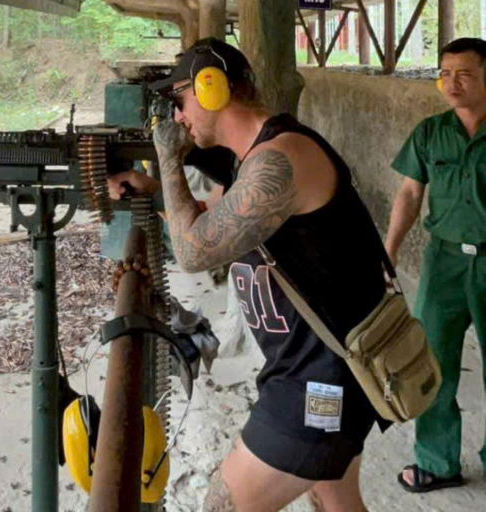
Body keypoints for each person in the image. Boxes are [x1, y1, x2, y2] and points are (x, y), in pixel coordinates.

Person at [109, 37, 388, 511]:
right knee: (333, 498)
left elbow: (195, 250)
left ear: (211, 87)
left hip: (320, 377)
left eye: (180, 101)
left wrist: (169, 158)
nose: (178, 117)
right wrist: (157, 189)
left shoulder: (280, 160)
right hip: (318, 368)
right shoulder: (254, 160)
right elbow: (213, 219)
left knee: (221, 506)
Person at [387, 37, 486, 493]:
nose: (451, 83)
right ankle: (437, 461)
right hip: (442, 261)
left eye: (463, 73)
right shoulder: (430, 132)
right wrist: (389, 251)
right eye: (445, 73)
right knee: (431, 365)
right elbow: (409, 195)